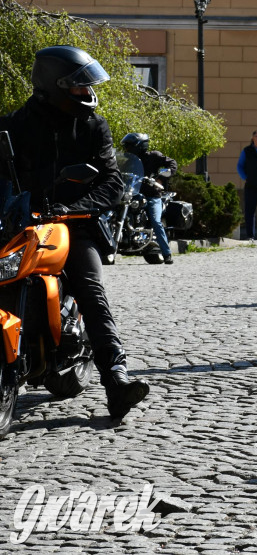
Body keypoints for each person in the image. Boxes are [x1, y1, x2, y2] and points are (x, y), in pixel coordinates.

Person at [0, 46, 149, 421]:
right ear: (56, 85)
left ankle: (116, 379)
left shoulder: (93, 126)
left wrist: (73, 208)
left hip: (74, 225)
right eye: (81, 86)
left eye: (88, 86)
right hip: (21, 224)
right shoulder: (13, 126)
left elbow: (112, 181)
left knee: (90, 288)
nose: (88, 93)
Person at [120, 132, 178, 264]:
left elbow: (172, 164)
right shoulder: (129, 162)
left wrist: (161, 178)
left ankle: (167, 254)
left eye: (129, 146)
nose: (126, 149)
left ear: (139, 146)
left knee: (156, 221)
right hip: (134, 196)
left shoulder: (154, 156)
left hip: (152, 196)